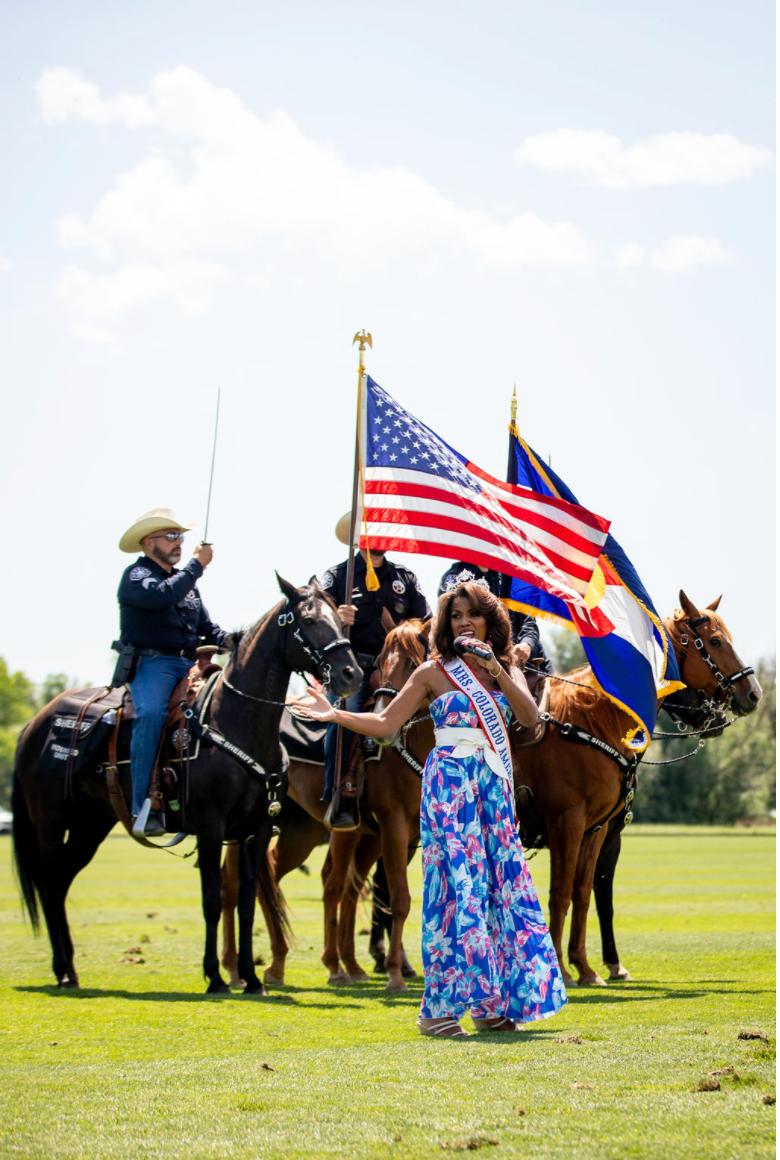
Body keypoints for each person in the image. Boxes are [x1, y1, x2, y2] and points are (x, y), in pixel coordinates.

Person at [293, 575, 567, 1036]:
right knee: (458, 892)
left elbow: (528, 720)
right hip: (451, 787)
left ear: (490, 621)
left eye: (472, 615)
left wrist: (499, 671)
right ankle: (437, 1011)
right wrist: (333, 714)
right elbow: (384, 724)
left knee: (499, 891)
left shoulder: (507, 669)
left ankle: (490, 1005)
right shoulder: (432, 673)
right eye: (455, 616)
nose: (463, 623)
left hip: (493, 788)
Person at [117, 507, 230, 837]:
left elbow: (209, 629)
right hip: (154, 664)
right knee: (150, 714)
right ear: (148, 542)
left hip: (191, 664)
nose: (179, 542)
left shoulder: (186, 584)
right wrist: (197, 565)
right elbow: (162, 597)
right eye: (171, 536)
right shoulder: (137, 576)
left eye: (180, 536)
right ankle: (143, 805)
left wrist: (238, 641)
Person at [318, 512, 431, 829]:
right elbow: (312, 615)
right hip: (351, 666)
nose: (380, 535)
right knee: (342, 716)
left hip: (398, 667)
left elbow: (425, 622)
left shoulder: (405, 578)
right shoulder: (338, 575)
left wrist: (404, 634)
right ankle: (338, 794)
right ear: (358, 536)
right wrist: (336, 617)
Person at [438, 562, 553, 674]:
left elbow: (528, 622)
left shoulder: (512, 574)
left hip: (525, 663)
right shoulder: (454, 577)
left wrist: (527, 645)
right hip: (474, 665)